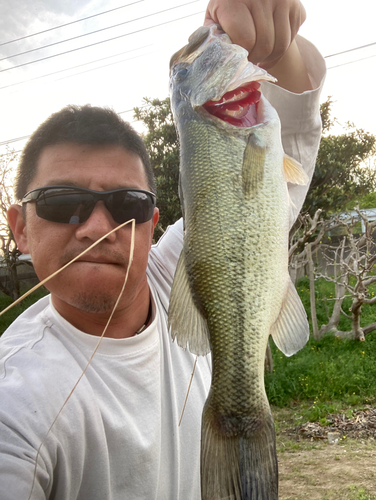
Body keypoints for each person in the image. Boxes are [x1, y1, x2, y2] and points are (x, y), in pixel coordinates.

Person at [0, 0, 326, 498]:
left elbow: (290, 147)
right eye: (63, 202)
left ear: (153, 225)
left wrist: (277, 45)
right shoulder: (14, 400)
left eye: (126, 204)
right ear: (19, 228)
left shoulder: (183, 262)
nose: (97, 228)